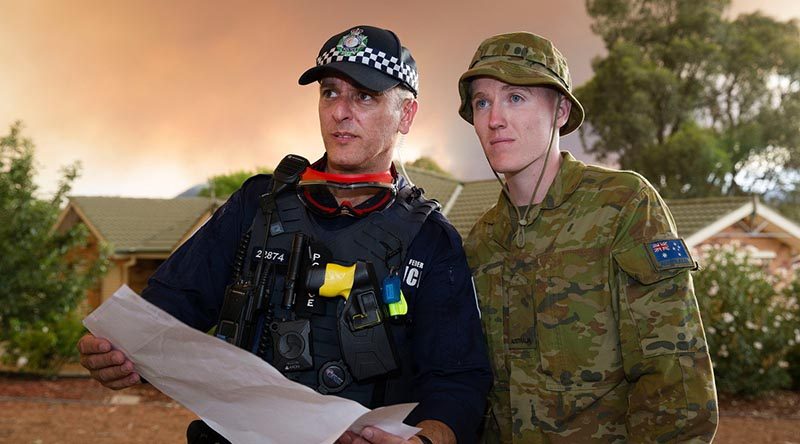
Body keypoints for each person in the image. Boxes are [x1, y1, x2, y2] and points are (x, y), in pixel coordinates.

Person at [78, 25, 491, 444]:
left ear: (406, 115)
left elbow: (457, 382)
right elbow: (169, 307)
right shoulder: (257, 204)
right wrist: (119, 352)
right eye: (330, 92)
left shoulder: (430, 238)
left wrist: (426, 440)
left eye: (364, 96)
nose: (340, 112)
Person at [459, 32, 718, 443]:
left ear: (560, 110)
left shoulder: (623, 206)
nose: (494, 119)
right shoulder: (481, 241)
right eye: (482, 102)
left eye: (515, 98)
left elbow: (675, 381)